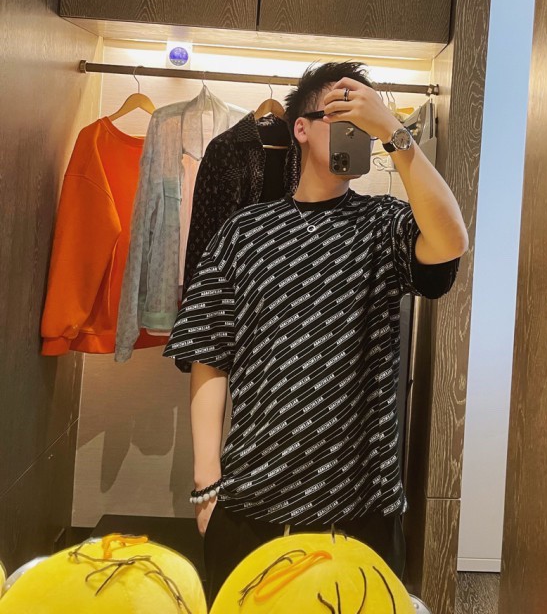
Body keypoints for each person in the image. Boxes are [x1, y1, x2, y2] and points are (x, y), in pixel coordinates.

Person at [163, 61, 468, 601]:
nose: (356, 131)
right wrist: (207, 482)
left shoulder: (383, 225)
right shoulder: (244, 232)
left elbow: (450, 241)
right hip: (250, 504)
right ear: (300, 127)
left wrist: (393, 132)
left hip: (362, 511)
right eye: (341, 117)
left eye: (363, 122)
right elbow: (209, 353)